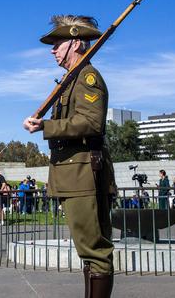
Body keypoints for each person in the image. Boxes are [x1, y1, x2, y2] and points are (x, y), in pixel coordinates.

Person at [23, 15, 116, 296]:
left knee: (95, 251)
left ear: (75, 42)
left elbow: (91, 122)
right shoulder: (70, 80)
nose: (52, 50)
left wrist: (46, 126)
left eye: (57, 43)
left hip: (84, 174)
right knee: (87, 252)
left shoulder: (88, 77)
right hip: (73, 174)